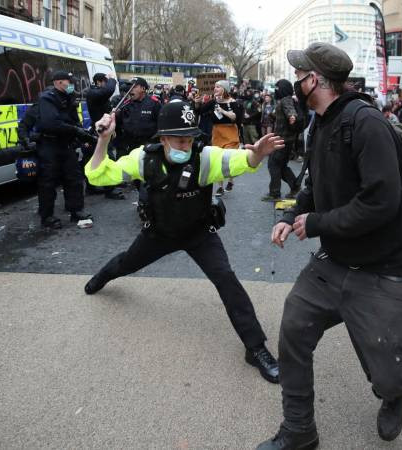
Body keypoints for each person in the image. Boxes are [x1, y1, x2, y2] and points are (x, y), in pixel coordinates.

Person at [257, 43, 402, 449]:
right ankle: (299, 432)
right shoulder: (320, 123)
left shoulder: (366, 123)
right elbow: (315, 184)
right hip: (334, 263)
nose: (295, 81)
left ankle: (393, 394)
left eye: (299, 74)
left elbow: (381, 201)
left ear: (315, 80)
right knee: (294, 330)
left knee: (387, 374)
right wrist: (289, 215)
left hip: (385, 269)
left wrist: (315, 223)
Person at [83, 101, 286, 384]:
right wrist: (103, 140)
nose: (186, 144)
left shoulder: (205, 158)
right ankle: (101, 277)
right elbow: (97, 174)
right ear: (163, 138)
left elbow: (241, 162)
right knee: (126, 263)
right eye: (180, 139)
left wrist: (257, 156)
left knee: (226, 279)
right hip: (159, 234)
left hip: (199, 234)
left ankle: (255, 348)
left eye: (190, 138)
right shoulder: (144, 158)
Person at [33, 70, 95, 229]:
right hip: (50, 145)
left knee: (74, 178)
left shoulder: (69, 99)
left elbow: (75, 121)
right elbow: (51, 123)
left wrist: (84, 135)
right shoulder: (47, 99)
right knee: (48, 182)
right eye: (69, 82)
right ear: (59, 82)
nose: (72, 85)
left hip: (66, 145)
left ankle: (76, 211)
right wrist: (75, 131)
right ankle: (47, 216)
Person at [196, 80, 242, 196]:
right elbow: (200, 111)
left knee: (229, 159)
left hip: (230, 132)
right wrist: (197, 103)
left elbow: (235, 117)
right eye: (215, 86)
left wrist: (222, 111)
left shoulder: (233, 102)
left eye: (218, 87)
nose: (215, 88)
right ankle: (220, 187)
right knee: (217, 159)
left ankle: (231, 180)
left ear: (224, 89)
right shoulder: (213, 102)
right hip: (217, 133)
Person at [83, 72, 123, 200]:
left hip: (104, 129)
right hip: (99, 130)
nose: (107, 85)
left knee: (94, 157)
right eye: (105, 82)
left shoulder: (98, 94)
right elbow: (108, 91)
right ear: (99, 82)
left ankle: (91, 187)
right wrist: (112, 79)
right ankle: (109, 189)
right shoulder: (93, 93)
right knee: (108, 158)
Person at [262, 79, 300, 202]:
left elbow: (290, 111)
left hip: (282, 140)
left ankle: (274, 193)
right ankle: (295, 187)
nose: (275, 91)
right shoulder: (285, 100)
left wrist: (292, 117)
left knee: (273, 164)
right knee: (281, 166)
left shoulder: (286, 100)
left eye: (277, 88)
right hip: (286, 140)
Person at [114, 77, 162, 160]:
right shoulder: (125, 105)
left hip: (147, 148)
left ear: (143, 88)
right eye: (130, 87)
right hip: (128, 148)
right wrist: (116, 116)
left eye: (134, 87)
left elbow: (161, 125)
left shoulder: (154, 103)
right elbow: (118, 126)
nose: (131, 89)